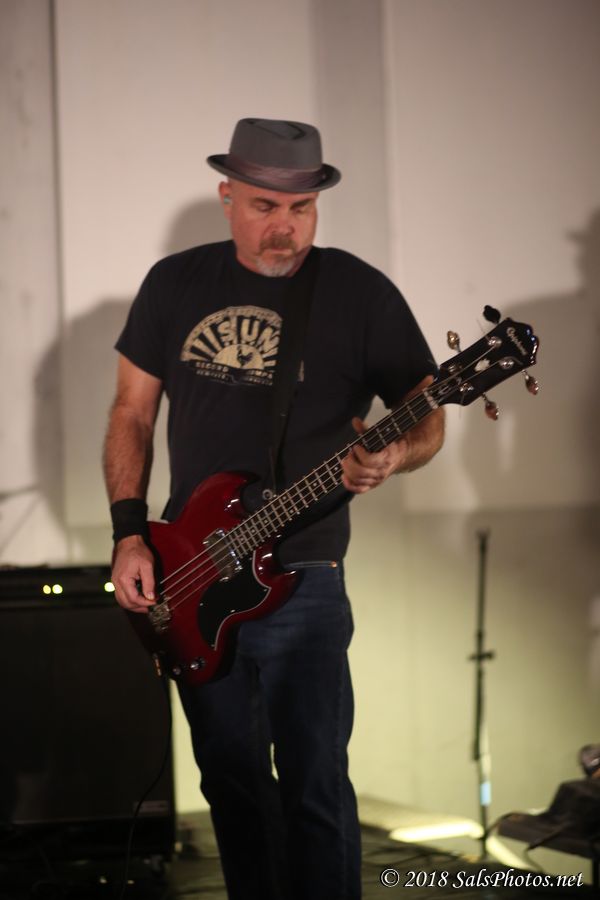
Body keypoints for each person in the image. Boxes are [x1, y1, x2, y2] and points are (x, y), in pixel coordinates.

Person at [103, 118, 444, 900]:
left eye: (301, 208)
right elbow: (130, 411)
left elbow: (427, 411)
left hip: (306, 576)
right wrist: (130, 535)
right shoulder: (174, 283)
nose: (284, 227)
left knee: (315, 783)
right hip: (192, 569)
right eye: (264, 206)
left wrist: (396, 454)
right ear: (227, 196)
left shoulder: (357, 291)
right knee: (231, 783)